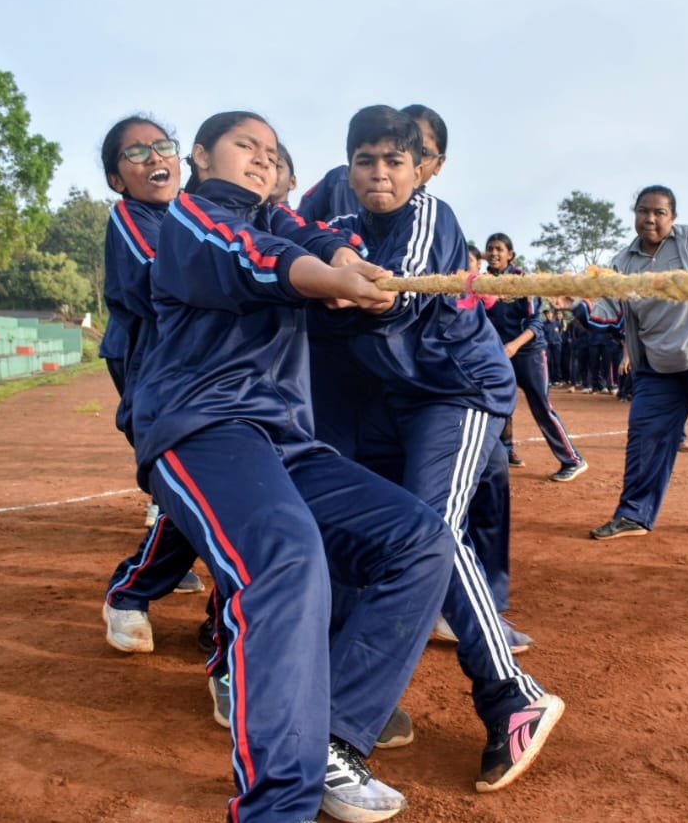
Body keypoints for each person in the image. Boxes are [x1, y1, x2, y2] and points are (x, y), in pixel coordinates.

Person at [132, 110, 455, 822]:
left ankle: (334, 739)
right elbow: (259, 259)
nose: (261, 158)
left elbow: (319, 240)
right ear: (201, 155)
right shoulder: (190, 219)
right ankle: (276, 806)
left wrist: (349, 268)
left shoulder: (282, 220)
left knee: (421, 539)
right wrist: (323, 273)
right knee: (285, 554)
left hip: (286, 440)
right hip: (203, 427)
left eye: (272, 151)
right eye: (245, 145)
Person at [301, 104, 563, 793]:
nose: (379, 173)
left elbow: (398, 296)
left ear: (421, 169)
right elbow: (316, 260)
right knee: (380, 536)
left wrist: (347, 286)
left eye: (394, 160)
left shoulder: (431, 217)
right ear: (347, 168)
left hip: (460, 391)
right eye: (365, 160)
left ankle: (511, 694)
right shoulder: (344, 229)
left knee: (430, 533)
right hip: (397, 399)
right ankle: (365, 693)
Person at [556, 184, 688, 540]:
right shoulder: (622, 264)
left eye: (659, 212)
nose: (650, 219)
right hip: (657, 367)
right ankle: (634, 514)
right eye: (642, 211)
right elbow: (611, 311)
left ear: (673, 217)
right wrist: (577, 304)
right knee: (645, 440)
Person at [97, 116, 207, 658]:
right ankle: (131, 591)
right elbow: (165, 278)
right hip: (161, 381)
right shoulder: (131, 217)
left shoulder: (196, 216)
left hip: (212, 380)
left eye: (162, 146)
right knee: (192, 493)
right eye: (135, 153)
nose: (154, 157)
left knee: (206, 497)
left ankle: (214, 616)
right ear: (117, 179)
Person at [484, 232, 588, 482]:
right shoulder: (482, 282)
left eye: (499, 249)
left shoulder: (524, 282)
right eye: (490, 249)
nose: (494, 253)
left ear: (510, 255)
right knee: (499, 404)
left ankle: (572, 459)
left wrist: (514, 346)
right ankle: (506, 452)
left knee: (541, 406)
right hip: (500, 352)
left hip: (528, 352)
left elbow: (535, 322)